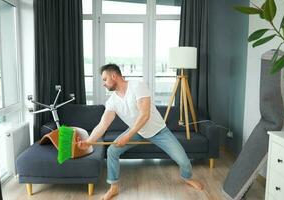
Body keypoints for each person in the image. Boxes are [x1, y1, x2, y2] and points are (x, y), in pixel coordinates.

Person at [78, 64, 204, 200]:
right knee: (112, 151)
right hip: (137, 131)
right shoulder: (112, 101)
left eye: (104, 79)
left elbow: (144, 115)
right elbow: (102, 125)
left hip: (159, 131)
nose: (103, 83)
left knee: (183, 160)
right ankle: (113, 187)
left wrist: (127, 136)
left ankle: (187, 177)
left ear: (113, 76)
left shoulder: (137, 86)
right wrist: (89, 141)